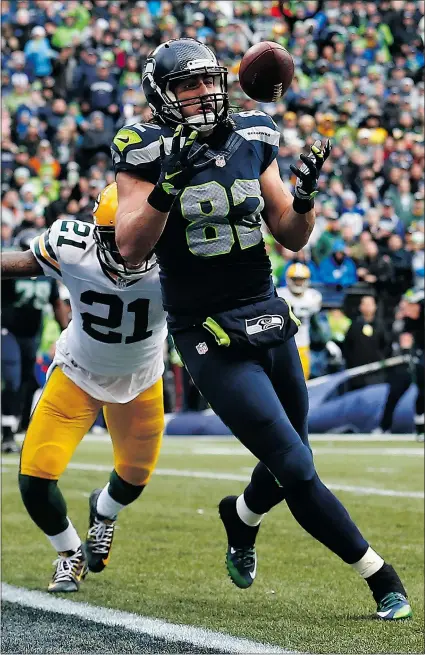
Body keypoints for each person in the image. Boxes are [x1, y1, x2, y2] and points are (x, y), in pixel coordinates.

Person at [113, 38, 411, 620]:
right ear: (161, 96)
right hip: (206, 330)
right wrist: (168, 184)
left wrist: (305, 196)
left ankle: (241, 517)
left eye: (208, 81)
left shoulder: (253, 134)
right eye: (186, 85)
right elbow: (129, 246)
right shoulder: (143, 145)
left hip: (267, 313)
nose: (203, 93)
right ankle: (381, 578)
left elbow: (291, 233)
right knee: (296, 465)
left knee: (289, 452)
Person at [1, 183, 167, 592]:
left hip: (140, 380)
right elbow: (19, 262)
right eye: (114, 237)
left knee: (133, 480)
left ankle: (104, 510)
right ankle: (70, 553)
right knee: (34, 480)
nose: (127, 250)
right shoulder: (71, 245)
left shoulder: (181, 263)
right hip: (77, 373)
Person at [1, 228, 69, 453]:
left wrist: (67, 330)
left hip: (32, 335)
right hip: (8, 331)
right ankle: (8, 433)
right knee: (12, 377)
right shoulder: (9, 273)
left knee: (27, 381)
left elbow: (57, 304)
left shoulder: (46, 275)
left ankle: (17, 426)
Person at [374, 289, 424, 440]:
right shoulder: (406, 321)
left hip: (419, 361)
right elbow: (404, 341)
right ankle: (384, 426)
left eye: (412, 305)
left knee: (422, 393)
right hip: (406, 363)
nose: (408, 307)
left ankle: (420, 429)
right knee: (394, 394)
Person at [277, 263, 341, 379]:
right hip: (281, 345)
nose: (298, 283)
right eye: (295, 279)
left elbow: (317, 323)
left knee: (303, 380)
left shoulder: (312, 297)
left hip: (303, 345)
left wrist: (327, 341)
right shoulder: (279, 295)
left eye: (301, 280)